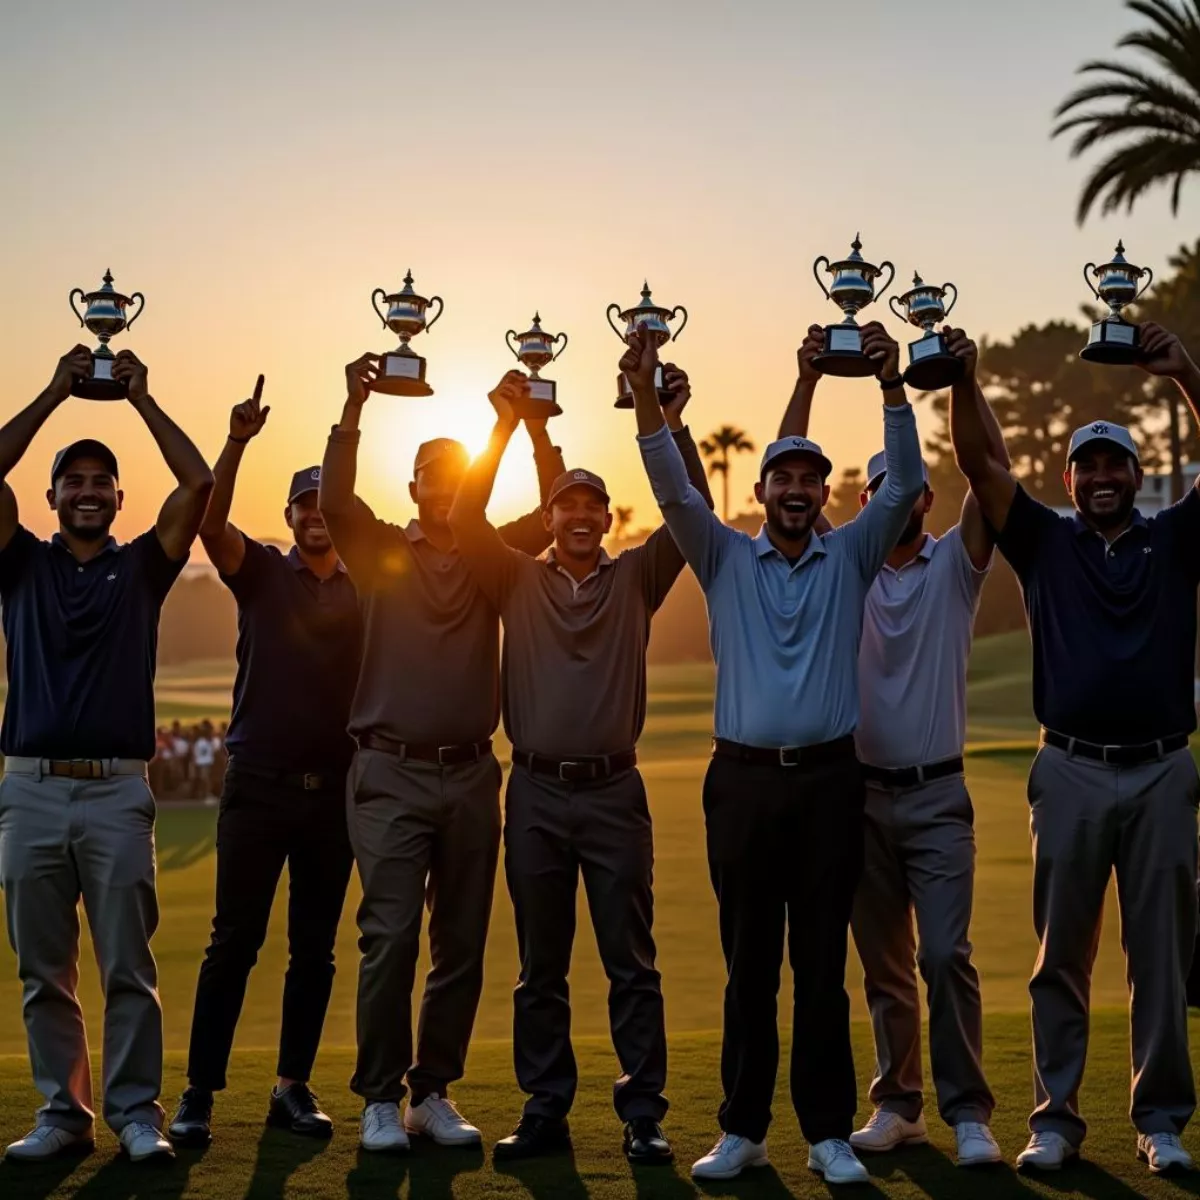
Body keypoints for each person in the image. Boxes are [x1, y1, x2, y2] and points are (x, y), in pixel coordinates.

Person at [639, 321, 923, 1185]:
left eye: (810, 479)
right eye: (783, 478)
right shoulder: (721, 554)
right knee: (749, 965)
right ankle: (743, 1129)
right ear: (761, 490)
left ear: (823, 494)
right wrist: (647, 395)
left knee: (820, 966)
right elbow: (673, 489)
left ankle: (828, 1132)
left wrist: (890, 389)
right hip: (743, 784)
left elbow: (906, 481)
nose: (797, 491)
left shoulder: (851, 555)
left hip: (831, 781)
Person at [448, 350, 713, 1165]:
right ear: (552, 516)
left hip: (613, 793)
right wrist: (499, 427)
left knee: (631, 960)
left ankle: (642, 1112)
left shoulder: (635, 578)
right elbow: (463, 522)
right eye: (567, 504)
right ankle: (545, 1108)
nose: (580, 516)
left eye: (593, 506)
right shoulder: (513, 578)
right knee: (541, 967)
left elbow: (692, 509)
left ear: (606, 518)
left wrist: (672, 421)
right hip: (534, 792)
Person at [950, 320, 1200, 1177]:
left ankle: (1161, 1118)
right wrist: (963, 379)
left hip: (1165, 768)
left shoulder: (1175, 540)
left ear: (1137, 476)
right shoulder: (1045, 542)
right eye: (1086, 466)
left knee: (1161, 957)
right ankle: (1055, 1120)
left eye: (1114, 464)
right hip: (1070, 768)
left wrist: (1184, 377)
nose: (1100, 477)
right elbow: (980, 466)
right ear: (1070, 480)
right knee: (1061, 956)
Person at [319, 353, 565, 1154]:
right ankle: (380, 1099)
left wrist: (529, 428)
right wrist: (353, 407)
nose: (444, 484)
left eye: (456, 474)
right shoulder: (378, 548)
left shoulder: (495, 559)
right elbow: (331, 497)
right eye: (431, 472)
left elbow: (558, 513)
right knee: (388, 935)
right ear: (416, 485)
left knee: (458, 943)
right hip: (388, 770)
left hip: (469, 772)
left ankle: (433, 1091)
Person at [779, 325, 1005, 1168]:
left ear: (922, 500)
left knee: (946, 953)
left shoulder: (957, 563)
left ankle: (969, 1110)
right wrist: (804, 380)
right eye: (876, 491)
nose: (894, 502)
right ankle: (900, 1105)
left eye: (902, 491)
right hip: (860, 794)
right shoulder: (838, 568)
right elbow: (784, 462)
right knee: (883, 967)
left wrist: (963, 383)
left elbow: (991, 476)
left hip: (938, 792)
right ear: (865, 505)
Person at [0, 346, 213, 1163]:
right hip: (31, 790)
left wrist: (143, 403)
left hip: (119, 793)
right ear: (50, 496)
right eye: (72, 481)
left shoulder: (143, 567)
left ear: (120, 499)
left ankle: (134, 1114)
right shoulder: (18, 563)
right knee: (43, 970)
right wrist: (56, 389)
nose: (87, 492)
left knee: (128, 965)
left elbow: (197, 485)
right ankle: (64, 1114)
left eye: (100, 482)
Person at [169, 377, 362, 1148]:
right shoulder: (262, 574)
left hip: (333, 794)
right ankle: (198, 1095)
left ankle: (291, 1087)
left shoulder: (367, 588)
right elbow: (212, 526)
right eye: (304, 505)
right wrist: (237, 443)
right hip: (257, 786)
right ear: (290, 517)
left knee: (313, 949)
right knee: (232, 943)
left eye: (325, 503)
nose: (316, 515)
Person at [191, 721, 216, 800]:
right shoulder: (204, 742)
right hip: (204, 763)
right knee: (205, 779)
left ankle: (204, 795)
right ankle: (206, 795)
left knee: (204, 779)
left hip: (203, 762)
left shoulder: (200, 742)